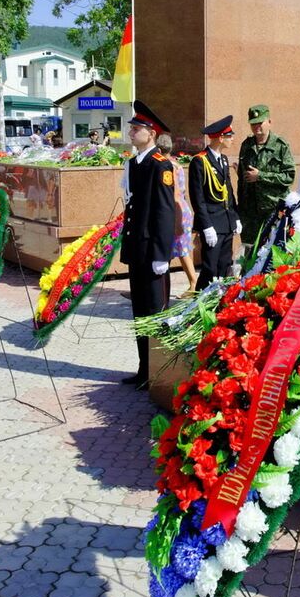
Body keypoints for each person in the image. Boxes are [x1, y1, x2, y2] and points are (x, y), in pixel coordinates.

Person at [119, 101, 176, 387]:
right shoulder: (133, 164)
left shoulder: (160, 165)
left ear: (151, 133)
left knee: (155, 313)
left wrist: (161, 254)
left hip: (152, 251)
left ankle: (158, 373)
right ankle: (144, 370)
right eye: (131, 128)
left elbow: (164, 212)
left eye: (136, 128)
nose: (131, 132)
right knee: (140, 312)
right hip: (137, 249)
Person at [188, 116, 241, 289]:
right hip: (211, 223)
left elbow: (229, 191)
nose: (232, 139)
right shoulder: (200, 161)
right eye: (230, 135)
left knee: (225, 266)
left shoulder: (223, 159)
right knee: (210, 268)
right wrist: (206, 226)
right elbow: (198, 198)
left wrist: (235, 217)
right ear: (220, 137)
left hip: (225, 221)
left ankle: (219, 302)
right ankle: (199, 303)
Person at [236, 105, 294, 248]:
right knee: (250, 250)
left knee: (273, 250)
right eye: (253, 124)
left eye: (260, 123)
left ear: (269, 122)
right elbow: (242, 180)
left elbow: (289, 176)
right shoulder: (246, 145)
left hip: (273, 209)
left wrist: (260, 176)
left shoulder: (281, 146)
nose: (256, 127)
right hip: (250, 212)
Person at [156, 133, 198, 294]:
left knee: (182, 249)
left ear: (159, 149)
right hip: (183, 209)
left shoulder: (166, 166)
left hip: (176, 211)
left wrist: (177, 220)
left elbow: (174, 196)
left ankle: (193, 283)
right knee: (182, 249)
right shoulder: (177, 165)